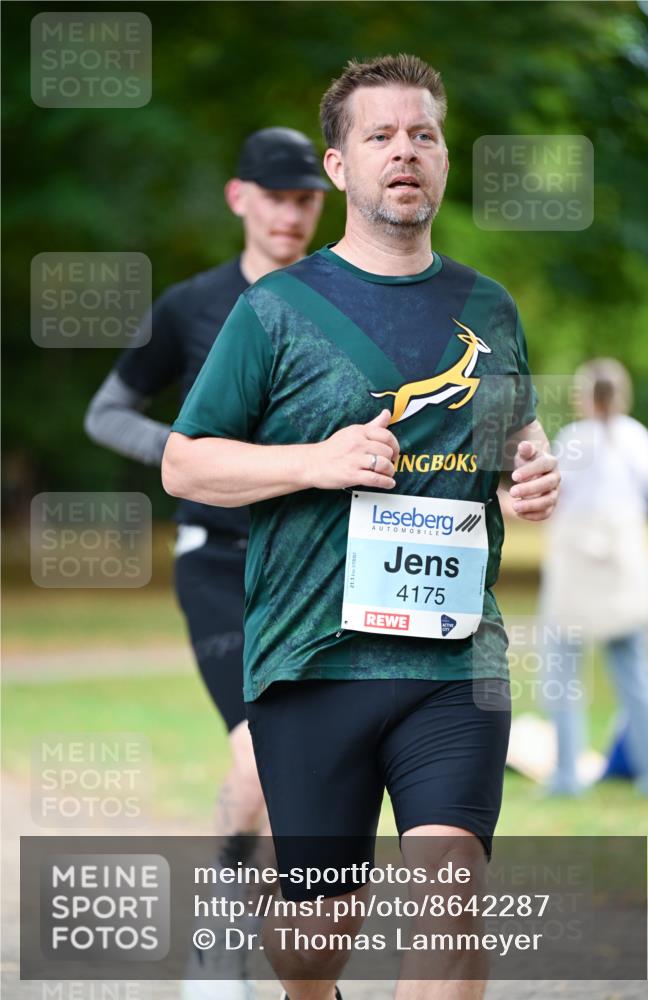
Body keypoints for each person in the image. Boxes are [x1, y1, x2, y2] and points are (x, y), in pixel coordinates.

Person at [163, 55, 560, 1000]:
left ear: (444, 159)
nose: (403, 152)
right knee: (309, 947)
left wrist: (536, 477)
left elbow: (516, 440)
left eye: (421, 134)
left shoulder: (486, 306)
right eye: (378, 136)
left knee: (449, 895)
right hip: (310, 661)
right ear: (337, 168)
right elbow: (186, 462)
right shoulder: (275, 312)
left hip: (451, 659)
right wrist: (314, 462)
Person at [84, 128, 327, 996]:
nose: (291, 214)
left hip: (316, 568)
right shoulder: (191, 304)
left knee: (305, 764)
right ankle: (218, 939)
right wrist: (186, 453)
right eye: (275, 196)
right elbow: (105, 412)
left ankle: (304, 947)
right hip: (219, 562)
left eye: (306, 199)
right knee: (259, 755)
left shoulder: (343, 301)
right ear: (239, 198)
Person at [539, 358, 648, 797]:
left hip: (576, 570)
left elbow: (555, 497)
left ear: (586, 396)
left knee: (561, 676)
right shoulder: (639, 438)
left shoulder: (573, 439)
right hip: (625, 571)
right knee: (638, 680)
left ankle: (567, 776)